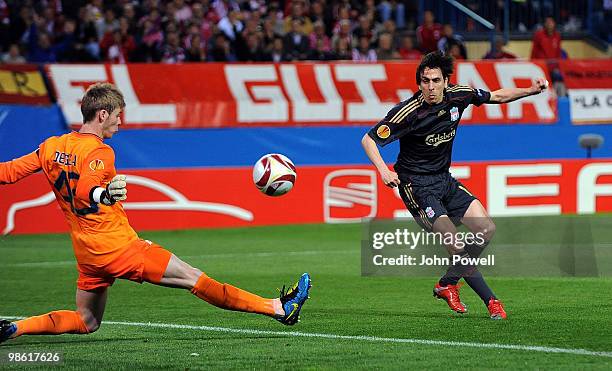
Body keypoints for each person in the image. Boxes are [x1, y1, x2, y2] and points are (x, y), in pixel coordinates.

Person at [0, 83, 311, 343]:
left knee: (86, 320)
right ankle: (278, 308)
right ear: (102, 113)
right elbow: (87, 190)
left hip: (88, 254)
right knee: (195, 279)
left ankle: (15, 328)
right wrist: (104, 194)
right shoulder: (100, 151)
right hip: (120, 247)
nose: (120, 123)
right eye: (118, 116)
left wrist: (98, 193)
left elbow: (9, 172)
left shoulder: (51, 146)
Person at [361, 52, 548, 320]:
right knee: (455, 243)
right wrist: (383, 170)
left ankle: (447, 283)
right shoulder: (408, 112)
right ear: (419, 84)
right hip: (416, 186)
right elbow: (369, 140)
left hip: (444, 180)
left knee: (486, 229)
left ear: (446, 81)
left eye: (436, 80)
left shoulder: (459, 95)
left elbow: (496, 96)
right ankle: (492, 302)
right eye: (425, 81)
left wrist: (530, 90)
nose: (431, 87)